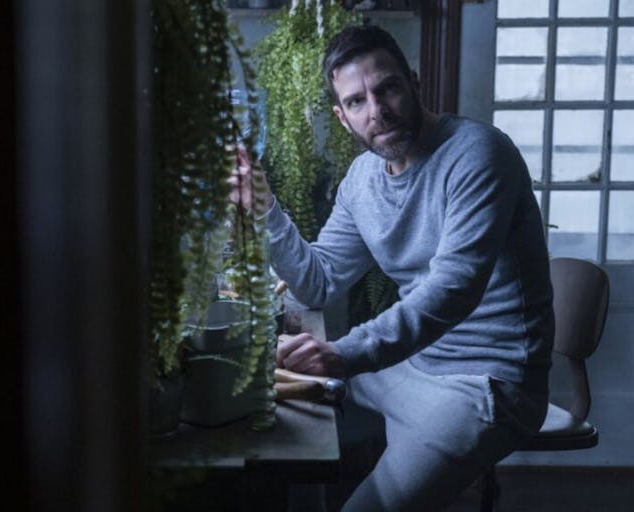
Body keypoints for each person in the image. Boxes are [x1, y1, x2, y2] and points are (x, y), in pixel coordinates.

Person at [229, 25, 554, 511]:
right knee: (286, 395)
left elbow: (453, 290)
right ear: (342, 118)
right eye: (357, 102)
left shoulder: (478, 154)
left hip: (488, 384)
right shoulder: (362, 180)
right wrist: (265, 211)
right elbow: (318, 282)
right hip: (414, 363)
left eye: (387, 89)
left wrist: (340, 354)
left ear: (414, 83)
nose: (376, 111)